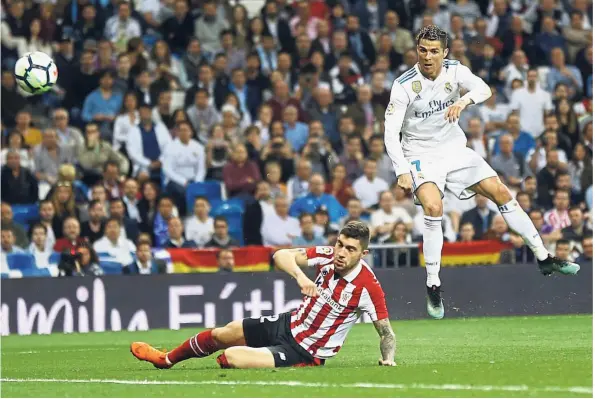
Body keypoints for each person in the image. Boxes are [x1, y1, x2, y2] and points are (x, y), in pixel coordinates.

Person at [383, 25, 580, 320]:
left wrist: (463, 101)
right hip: (420, 155)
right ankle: (433, 285)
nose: (428, 56)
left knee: (501, 191)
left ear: (444, 53)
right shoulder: (403, 85)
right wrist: (401, 169)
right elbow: (390, 132)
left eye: (434, 51)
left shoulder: (454, 70)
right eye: (423, 50)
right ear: (417, 51)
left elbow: (484, 89)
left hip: (454, 149)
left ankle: (544, 257)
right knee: (434, 206)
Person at [131, 221, 396, 369]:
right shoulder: (327, 256)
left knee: (231, 357)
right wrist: (301, 277)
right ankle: (165, 360)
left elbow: (386, 332)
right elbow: (280, 255)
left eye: (349, 249)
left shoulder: (367, 287)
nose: (340, 252)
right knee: (222, 334)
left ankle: (262, 358)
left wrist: (388, 358)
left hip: (305, 351)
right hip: (288, 323)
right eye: (339, 243)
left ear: (363, 254)